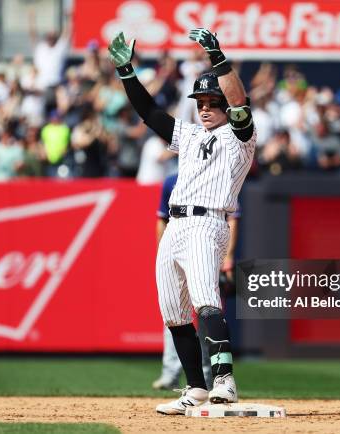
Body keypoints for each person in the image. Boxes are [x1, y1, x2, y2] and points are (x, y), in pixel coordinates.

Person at [108, 28, 256, 414]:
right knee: (173, 311)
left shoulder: (240, 138)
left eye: (212, 101)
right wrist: (127, 73)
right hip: (175, 225)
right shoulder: (189, 134)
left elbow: (240, 102)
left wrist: (218, 59)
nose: (205, 107)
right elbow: (150, 113)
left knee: (207, 300)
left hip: (209, 223)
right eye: (201, 101)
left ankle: (225, 381)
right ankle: (196, 388)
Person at [151, 174, 240, 391]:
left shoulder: (219, 176)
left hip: (206, 231)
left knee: (206, 307)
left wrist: (227, 257)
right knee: (173, 315)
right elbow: (162, 217)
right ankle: (188, 382)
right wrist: (164, 251)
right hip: (176, 233)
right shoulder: (171, 180)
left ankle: (217, 379)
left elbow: (233, 218)